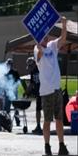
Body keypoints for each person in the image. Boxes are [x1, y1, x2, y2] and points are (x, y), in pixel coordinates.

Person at [34, 16, 69, 155]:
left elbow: (63, 39)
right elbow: (40, 55)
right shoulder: (36, 48)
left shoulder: (52, 46)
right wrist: (38, 45)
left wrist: (64, 25)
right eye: (44, 35)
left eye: (47, 35)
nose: (47, 37)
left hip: (56, 89)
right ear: (40, 37)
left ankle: (61, 146)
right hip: (46, 91)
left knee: (59, 119)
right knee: (47, 120)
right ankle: (47, 147)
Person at [26, 57, 43, 134]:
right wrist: (27, 92)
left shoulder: (41, 69)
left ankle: (46, 126)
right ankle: (38, 126)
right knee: (38, 110)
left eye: (30, 66)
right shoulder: (32, 72)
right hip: (38, 93)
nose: (30, 68)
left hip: (44, 92)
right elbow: (32, 84)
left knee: (45, 109)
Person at [4, 58, 21, 126]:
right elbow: (4, 83)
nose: (8, 66)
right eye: (7, 64)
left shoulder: (15, 72)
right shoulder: (5, 73)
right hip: (8, 92)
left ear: (11, 65)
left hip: (14, 92)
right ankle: (8, 121)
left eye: (9, 64)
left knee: (16, 108)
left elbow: (18, 81)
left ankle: (17, 121)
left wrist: (14, 87)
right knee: (7, 108)